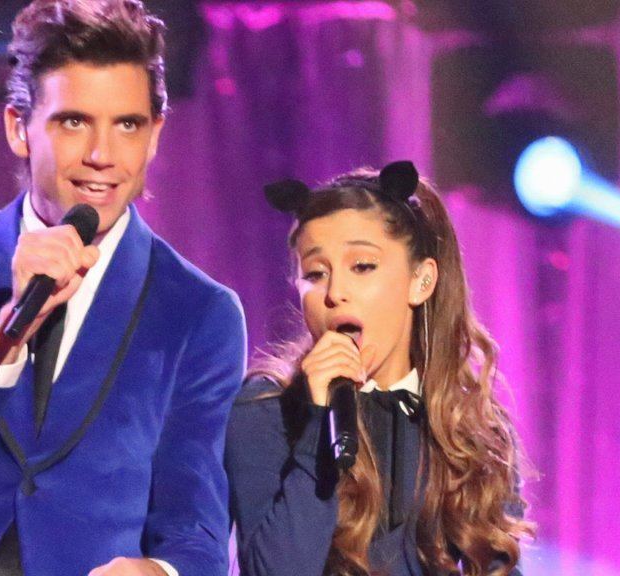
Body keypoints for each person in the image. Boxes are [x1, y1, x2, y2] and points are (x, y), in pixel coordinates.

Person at [0, 1, 246, 574]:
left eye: (128, 125)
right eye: (74, 121)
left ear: (155, 134)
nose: (101, 155)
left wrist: (161, 573)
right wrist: (0, 343)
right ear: (20, 127)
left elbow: (195, 525)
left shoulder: (198, 311)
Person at [225, 161, 533, 576]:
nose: (335, 293)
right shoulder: (267, 410)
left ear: (421, 281)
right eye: (315, 274)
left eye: (362, 267)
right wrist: (319, 426)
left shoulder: (469, 426)